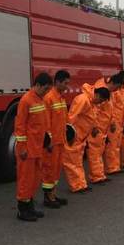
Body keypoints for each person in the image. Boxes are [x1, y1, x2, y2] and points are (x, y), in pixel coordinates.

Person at [14, 72, 53, 222]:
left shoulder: (40, 100)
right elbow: (20, 126)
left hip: (37, 148)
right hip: (28, 149)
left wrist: (47, 141)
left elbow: (42, 124)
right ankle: (22, 210)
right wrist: (22, 148)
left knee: (35, 179)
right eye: (45, 89)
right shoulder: (26, 101)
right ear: (37, 85)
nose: (46, 92)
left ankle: (29, 205)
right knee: (26, 179)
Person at [64, 84, 111, 193]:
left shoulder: (91, 102)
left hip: (81, 137)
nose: (100, 103)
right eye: (101, 100)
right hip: (75, 136)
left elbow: (91, 117)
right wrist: (69, 135)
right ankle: (77, 186)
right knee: (72, 162)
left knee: (77, 162)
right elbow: (71, 117)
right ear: (97, 95)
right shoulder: (83, 100)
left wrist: (94, 128)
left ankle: (80, 184)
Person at [42, 70, 71, 209]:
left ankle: (53, 195)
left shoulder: (60, 97)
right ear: (58, 82)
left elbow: (63, 120)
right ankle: (48, 198)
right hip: (52, 143)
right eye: (65, 83)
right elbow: (46, 122)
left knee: (56, 169)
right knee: (49, 169)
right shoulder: (49, 98)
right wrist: (49, 141)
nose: (67, 86)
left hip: (60, 141)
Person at [90, 74, 124, 183]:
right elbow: (95, 110)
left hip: (104, 126)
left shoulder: (109, 91)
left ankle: (100, 174)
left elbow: (110, 109)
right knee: (95, 152)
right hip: (98, 127)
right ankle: (97, 176)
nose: (117, 90)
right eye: (117, 87)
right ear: (112, 83)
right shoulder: (101, 89)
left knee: (99, 152)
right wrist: (95, 126)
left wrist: (113, 122)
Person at [104, 71, 124, 175]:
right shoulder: (108, 91)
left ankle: (115, 166)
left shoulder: (116, 91)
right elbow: (111, 109)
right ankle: (111, 168)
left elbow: (120, 107)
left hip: (117, 121)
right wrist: (113, 122)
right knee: (112, 146)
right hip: (112, 122)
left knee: (116, 146)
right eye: (122, 84)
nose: (123, 86)